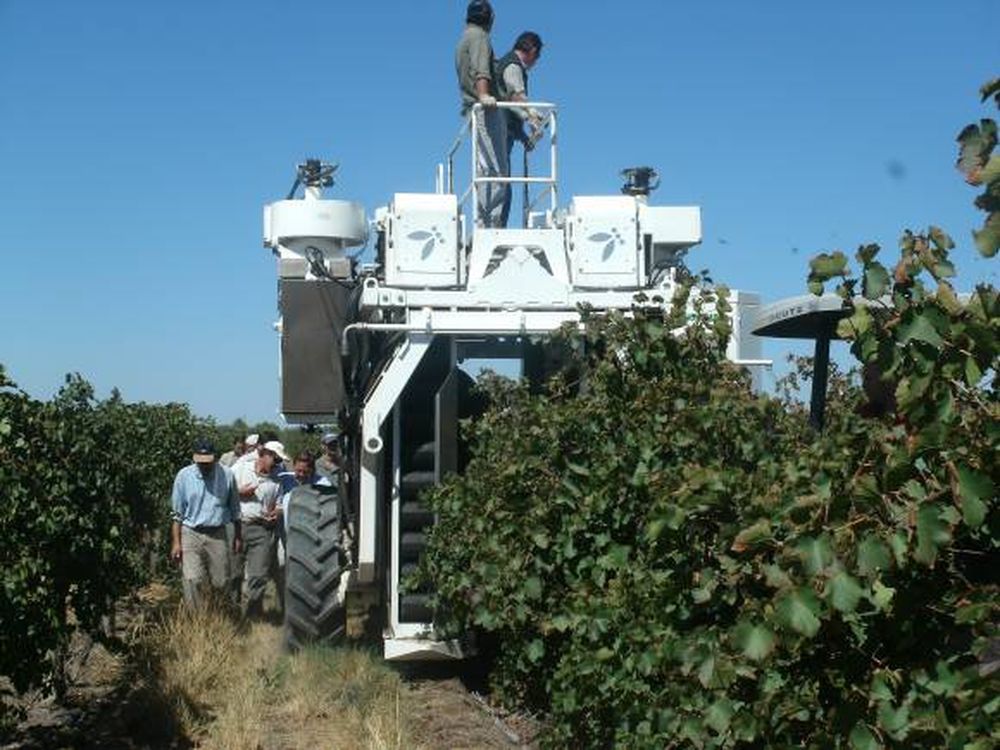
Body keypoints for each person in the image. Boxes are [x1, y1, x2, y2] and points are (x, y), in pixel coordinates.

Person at [455, 0, 509, 228]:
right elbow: (481, 70)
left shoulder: (463, 39)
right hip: (484, 110)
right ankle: (490, 223)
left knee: (485, 167)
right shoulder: (479, 37)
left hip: (471, 110)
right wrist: (485, 95)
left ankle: (484, 221)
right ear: (489, 18)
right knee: (497, 170)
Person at [170, 438, 242, 608]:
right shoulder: (184, 476)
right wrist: (176, 543)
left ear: (215, 458)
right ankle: (197, 622)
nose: (204, 466)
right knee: (192, 580)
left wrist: (238, 536)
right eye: (200, 462)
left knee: (221, 581)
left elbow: (235, 508)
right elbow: (176, 514)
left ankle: (220, 617)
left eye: (207, 462)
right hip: (191, 532)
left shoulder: (227, 475)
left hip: (217, 533)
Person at [232, 439, 288, 618]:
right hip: (237, 526)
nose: (278, 463)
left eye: (280, 460)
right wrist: (239, 493)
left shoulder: (277, 479)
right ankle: (232, 612)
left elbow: (279, 503)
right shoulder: (240, 469)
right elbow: (224, 492)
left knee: (259, 574)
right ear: (265, 455)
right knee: (234, 573)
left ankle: (252, 612)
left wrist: (277, 512)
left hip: (262, 528)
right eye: (276, 459)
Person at [495, 31, 544, 228]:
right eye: (537, 56)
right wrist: (531, 115)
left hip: (503, 130)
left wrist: (523, 137)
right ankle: (496, 226)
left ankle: (496, 225)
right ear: (532, 51)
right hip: (500, 131)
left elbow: (509, 107)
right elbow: (515, 97)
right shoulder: (513, 66)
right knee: (501, 184)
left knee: (502, 182)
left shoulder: (507, 63)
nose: (536, 61)